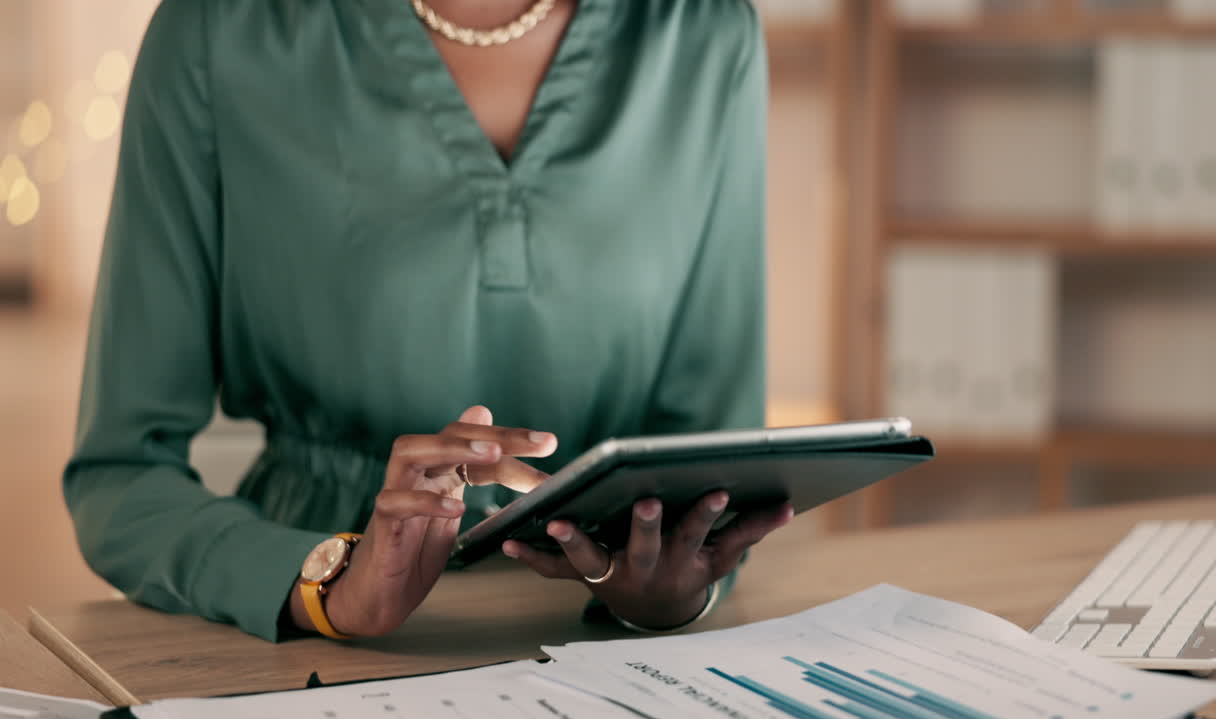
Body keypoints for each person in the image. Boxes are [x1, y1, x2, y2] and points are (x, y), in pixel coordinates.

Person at [64, 0, 792, 642]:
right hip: (309, 642)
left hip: (611, 658)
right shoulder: (219, 30)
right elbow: (121, 478)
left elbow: (715, 456)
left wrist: (674, 587)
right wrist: (323, 587)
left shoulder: (704, 31)